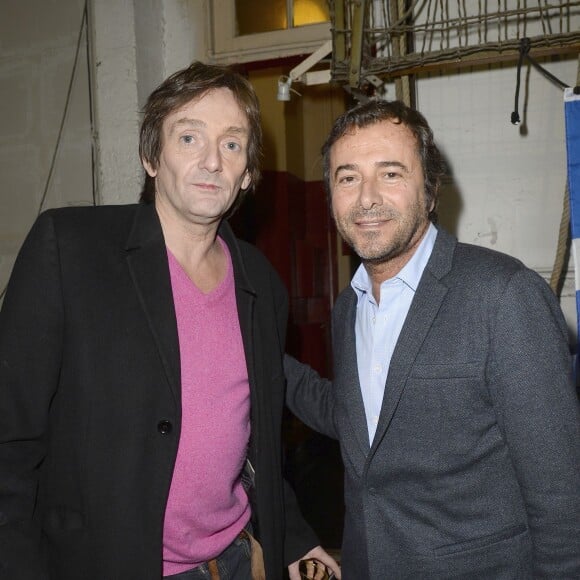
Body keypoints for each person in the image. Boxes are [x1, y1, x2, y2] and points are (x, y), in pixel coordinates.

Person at [0, 61, 340, 580]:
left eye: (231, 144)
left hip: (233, 559)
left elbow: (256, 443)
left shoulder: (261, 282)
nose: (210, 161)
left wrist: (292, 537)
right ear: (151, 156)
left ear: (247, 172)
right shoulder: (69, 249)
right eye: (188, 137)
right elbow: (9, 442)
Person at [285, 99, 580, 578]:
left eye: (391, 173)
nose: (366, 197)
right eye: (347, 177)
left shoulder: (503, 296)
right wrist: (251, 353)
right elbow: (362, 425)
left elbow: (563, 501)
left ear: (430, 190)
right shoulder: (349, 307)